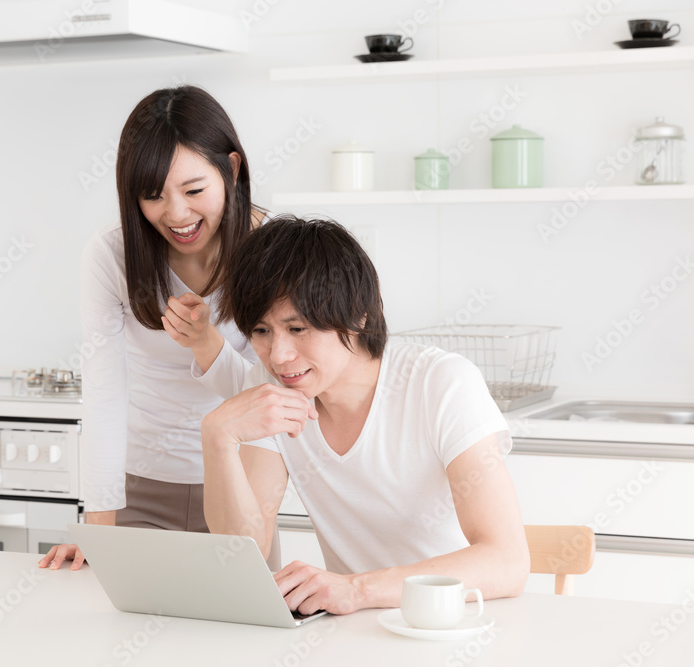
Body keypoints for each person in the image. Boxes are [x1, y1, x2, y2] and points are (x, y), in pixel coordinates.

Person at [198, 215, 530, 615]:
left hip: (453, 620)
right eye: (262, 331)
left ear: (359, 316)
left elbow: (508, 562)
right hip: (354, 631)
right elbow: (244, 548)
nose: (279, 356)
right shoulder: (271, 390)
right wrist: (217, 438)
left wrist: (355, 590)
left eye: (298, 328)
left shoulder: (440, 383)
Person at [39, 86, 272, 570]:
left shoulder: (271, 250)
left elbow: (266, 396)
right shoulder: (112, 256)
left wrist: (207, 345)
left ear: (231, 169)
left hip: (241, 487)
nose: (177, 215)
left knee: (244, 638)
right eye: (153, 196)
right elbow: (104, 394)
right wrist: (98, 527)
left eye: (193, 190)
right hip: (139, 489)